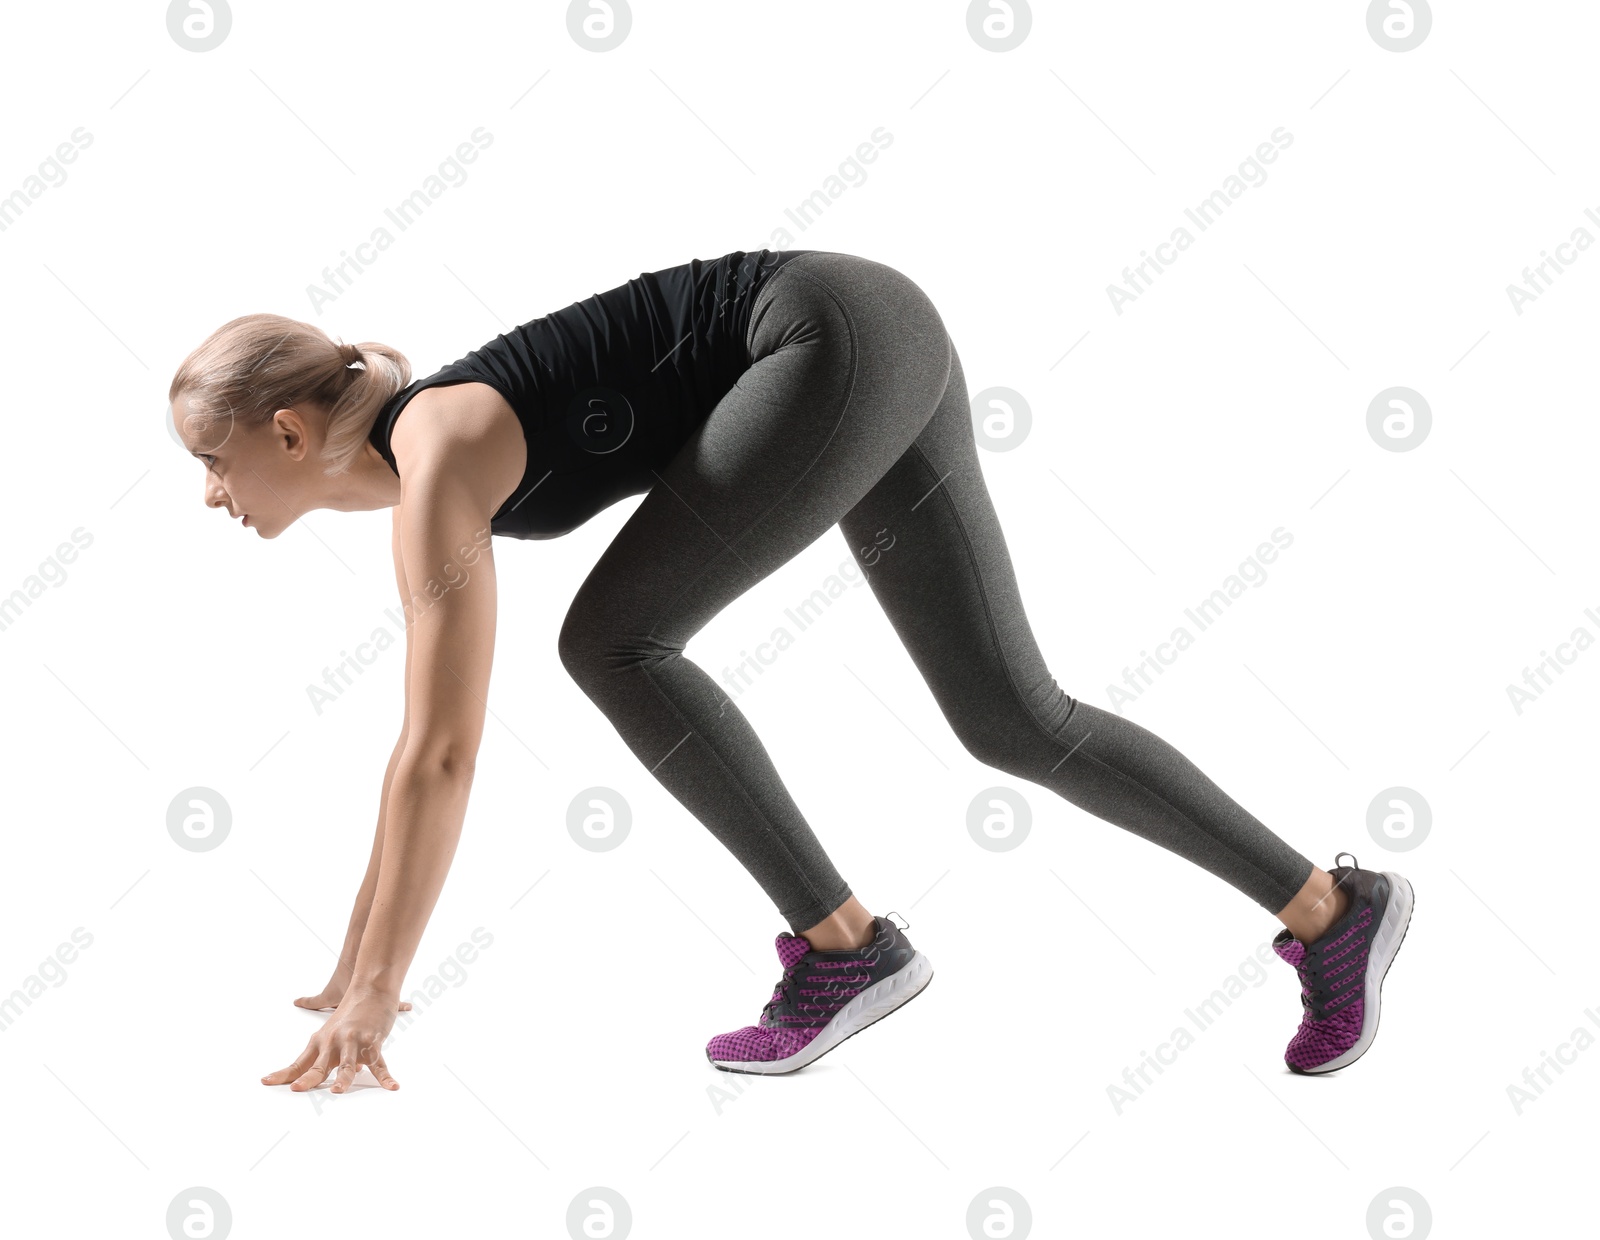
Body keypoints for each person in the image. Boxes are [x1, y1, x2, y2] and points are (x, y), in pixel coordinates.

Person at [167, 248, 1414, 1092]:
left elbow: (439, 748)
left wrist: (382, 992)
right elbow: (416, 751)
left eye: (211, 462)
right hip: (864, 329)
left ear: (285, 432)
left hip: (827, 336)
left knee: (611, 643)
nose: (211, 494)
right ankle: (1330, 911)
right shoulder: (429, 443)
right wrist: (352, 963)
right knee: (1011, 718)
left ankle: (847, 947)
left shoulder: (435, 451)